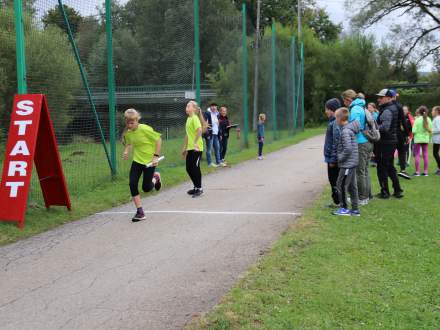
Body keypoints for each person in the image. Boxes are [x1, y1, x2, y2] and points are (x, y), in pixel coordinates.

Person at [122, 108, 162, 222]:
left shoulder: (145, 129)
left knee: (146, 188)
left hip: (149, 162)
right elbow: (129, 143)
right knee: (132, 183)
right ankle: (140, 212)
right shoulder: (129, 133)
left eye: (132, 123)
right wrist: (126, 151)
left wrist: (156, 156)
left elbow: (158, 140)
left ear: (137, 120)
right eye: (128, 123)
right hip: (137, 161)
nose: (129, 125)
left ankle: (156, 177)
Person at [342, 89, 371, 205]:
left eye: (344, 101)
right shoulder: (361, 106)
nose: (344, 103)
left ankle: (362, 198)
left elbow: (356, 126)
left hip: (360, 143)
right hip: (366, 141)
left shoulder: (355, 109)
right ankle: (367, 196)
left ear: (348, 99)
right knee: (364, 171)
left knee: (359, 172)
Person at [375, 89, 403, 199]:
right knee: (390, 166)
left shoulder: (387, 110)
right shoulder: (393, 107)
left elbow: (385, 128)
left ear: (388, 98)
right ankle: (397, 190)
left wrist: (373, 127)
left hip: (385, 142)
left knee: (382, 168)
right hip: (391, 141)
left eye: (381, 97)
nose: (379, 99)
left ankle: (385, 192)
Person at [333, 107, 360, 217]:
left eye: (336, 118)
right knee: (352, 186)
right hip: (351, 163)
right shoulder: (349, 129)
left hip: (347, 164)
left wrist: (340, 157)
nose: (335, 120)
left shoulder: (345, 131)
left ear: (339, 118)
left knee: (341, 185)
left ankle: (344, 208)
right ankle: (355, 209)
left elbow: (348, 149)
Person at [182, 100, 207, 198]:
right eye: (186, 106)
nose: (186, 107)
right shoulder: (188, 119)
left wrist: (196, 142)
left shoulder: (194, 118)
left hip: (197, 148)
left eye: (189, 106)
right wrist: (185, 148)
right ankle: (196, 187)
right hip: (190, 148)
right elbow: (188, 135)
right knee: (189, 168)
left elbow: (200, 130)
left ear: (194, 109)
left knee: (195, 168)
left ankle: (199, 188)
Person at [323, 98, 341, 207]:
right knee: (334, 179)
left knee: (334, 179)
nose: (325, 111)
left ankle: (338, 202)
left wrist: (333, 159)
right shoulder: (333, 121)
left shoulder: (335, 123)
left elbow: (336, 142)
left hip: (333, 158)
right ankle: (338, 200)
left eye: (327, 109)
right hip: (332, 157)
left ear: (332, 110)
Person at [412, 106, 432, 176]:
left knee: (417, 155)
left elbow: (413, 130)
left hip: (417, 139)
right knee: (425, 155)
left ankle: (417, 172)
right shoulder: (429, 119)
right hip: (425, 139)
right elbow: (430, 130)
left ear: (419, 112)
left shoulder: (417, 120)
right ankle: (425, 172)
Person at [397, 105, 415, 179]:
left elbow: (411, 128)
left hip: (405, 138)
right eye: (403, 109)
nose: (403, 111)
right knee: (399, 152)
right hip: (397, 137)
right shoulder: (398, 117)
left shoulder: (409, 118)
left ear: (408, 111)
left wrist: (408, 136)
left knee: (404, 152)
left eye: (405, 110)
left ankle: (403, 168)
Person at [203, 102, 222, 167]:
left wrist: (219, 133)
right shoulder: (207, 113)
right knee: (209, 149)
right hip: (210, 134)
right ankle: (210, 163)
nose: (214, 107)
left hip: (216, 134)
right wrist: (207, 133)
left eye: (215, 106)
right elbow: (205, 123)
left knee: (217, 148)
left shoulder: (217, 114)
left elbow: (218, 124)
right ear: (210, 107)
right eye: (212, 106)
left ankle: (218, 162)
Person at [432, 106, 440, 175]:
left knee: (435, 153)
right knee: (435, 153)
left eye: (433, 111)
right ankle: (438, 168)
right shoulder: (436, 118)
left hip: (437, 139)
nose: (432, 112)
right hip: (436, 139)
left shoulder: (437, 119)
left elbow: (439, 129)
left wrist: (431, 131)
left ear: (437, 111)